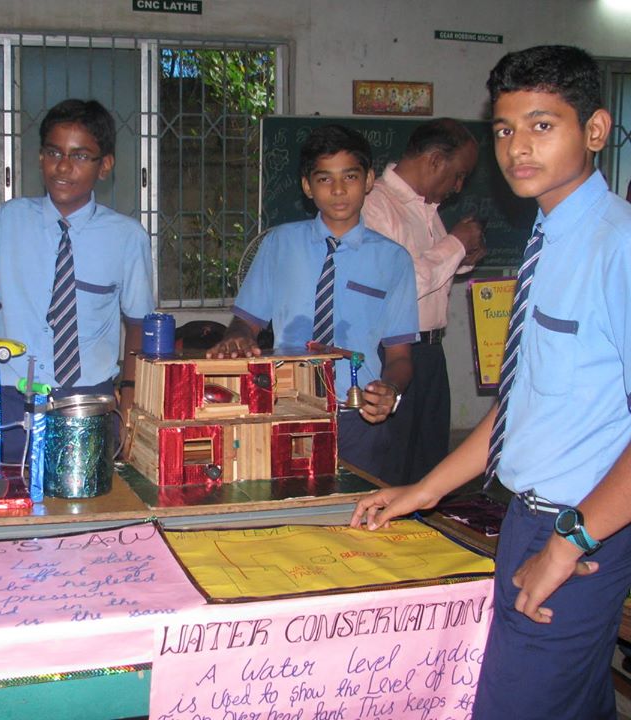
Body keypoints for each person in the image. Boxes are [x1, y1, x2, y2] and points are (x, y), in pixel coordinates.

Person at [352, 45, 631, 719]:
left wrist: (568, 543)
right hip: (525, 518)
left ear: (594, 131)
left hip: (581, 531)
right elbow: (518, 410)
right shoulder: (549, 237)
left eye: (542, 125)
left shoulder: (617, 246)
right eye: (505, 129)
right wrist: (422, 491)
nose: (517, 148)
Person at [208, 124, 419, 482]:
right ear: (308, 186)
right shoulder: (278, 245)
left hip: (357, 418)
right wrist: (238, 337)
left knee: (355, 516)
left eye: (349, 176)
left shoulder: (394, 260)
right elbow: (247, 322)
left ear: (368, 180)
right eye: (324, 179)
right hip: (285, 407)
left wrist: (391, 390)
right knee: (284, 508)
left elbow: (400, 357)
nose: (338, 190)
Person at [0, 98, 153, 462]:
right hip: (12, 397)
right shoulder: (8, 221)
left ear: (104, 165)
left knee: (87, 507)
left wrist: (130, 402)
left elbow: (138, 327)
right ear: (40, 157)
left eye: (80, 156)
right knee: (13, 501)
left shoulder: (126, 237)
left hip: (88, 399)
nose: (63, 166)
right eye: (53, 152)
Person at [362, 118, 485, 485]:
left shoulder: (427, 208)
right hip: (392, 353)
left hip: (431, 351)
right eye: (458, 175)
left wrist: (465, 257)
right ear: (434, 161)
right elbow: (394, 287)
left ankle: (423, 537)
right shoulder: (375, 205)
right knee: (390, 463)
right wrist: (456, 244)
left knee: (429, 465)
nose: (459, 186)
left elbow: (431, 270)